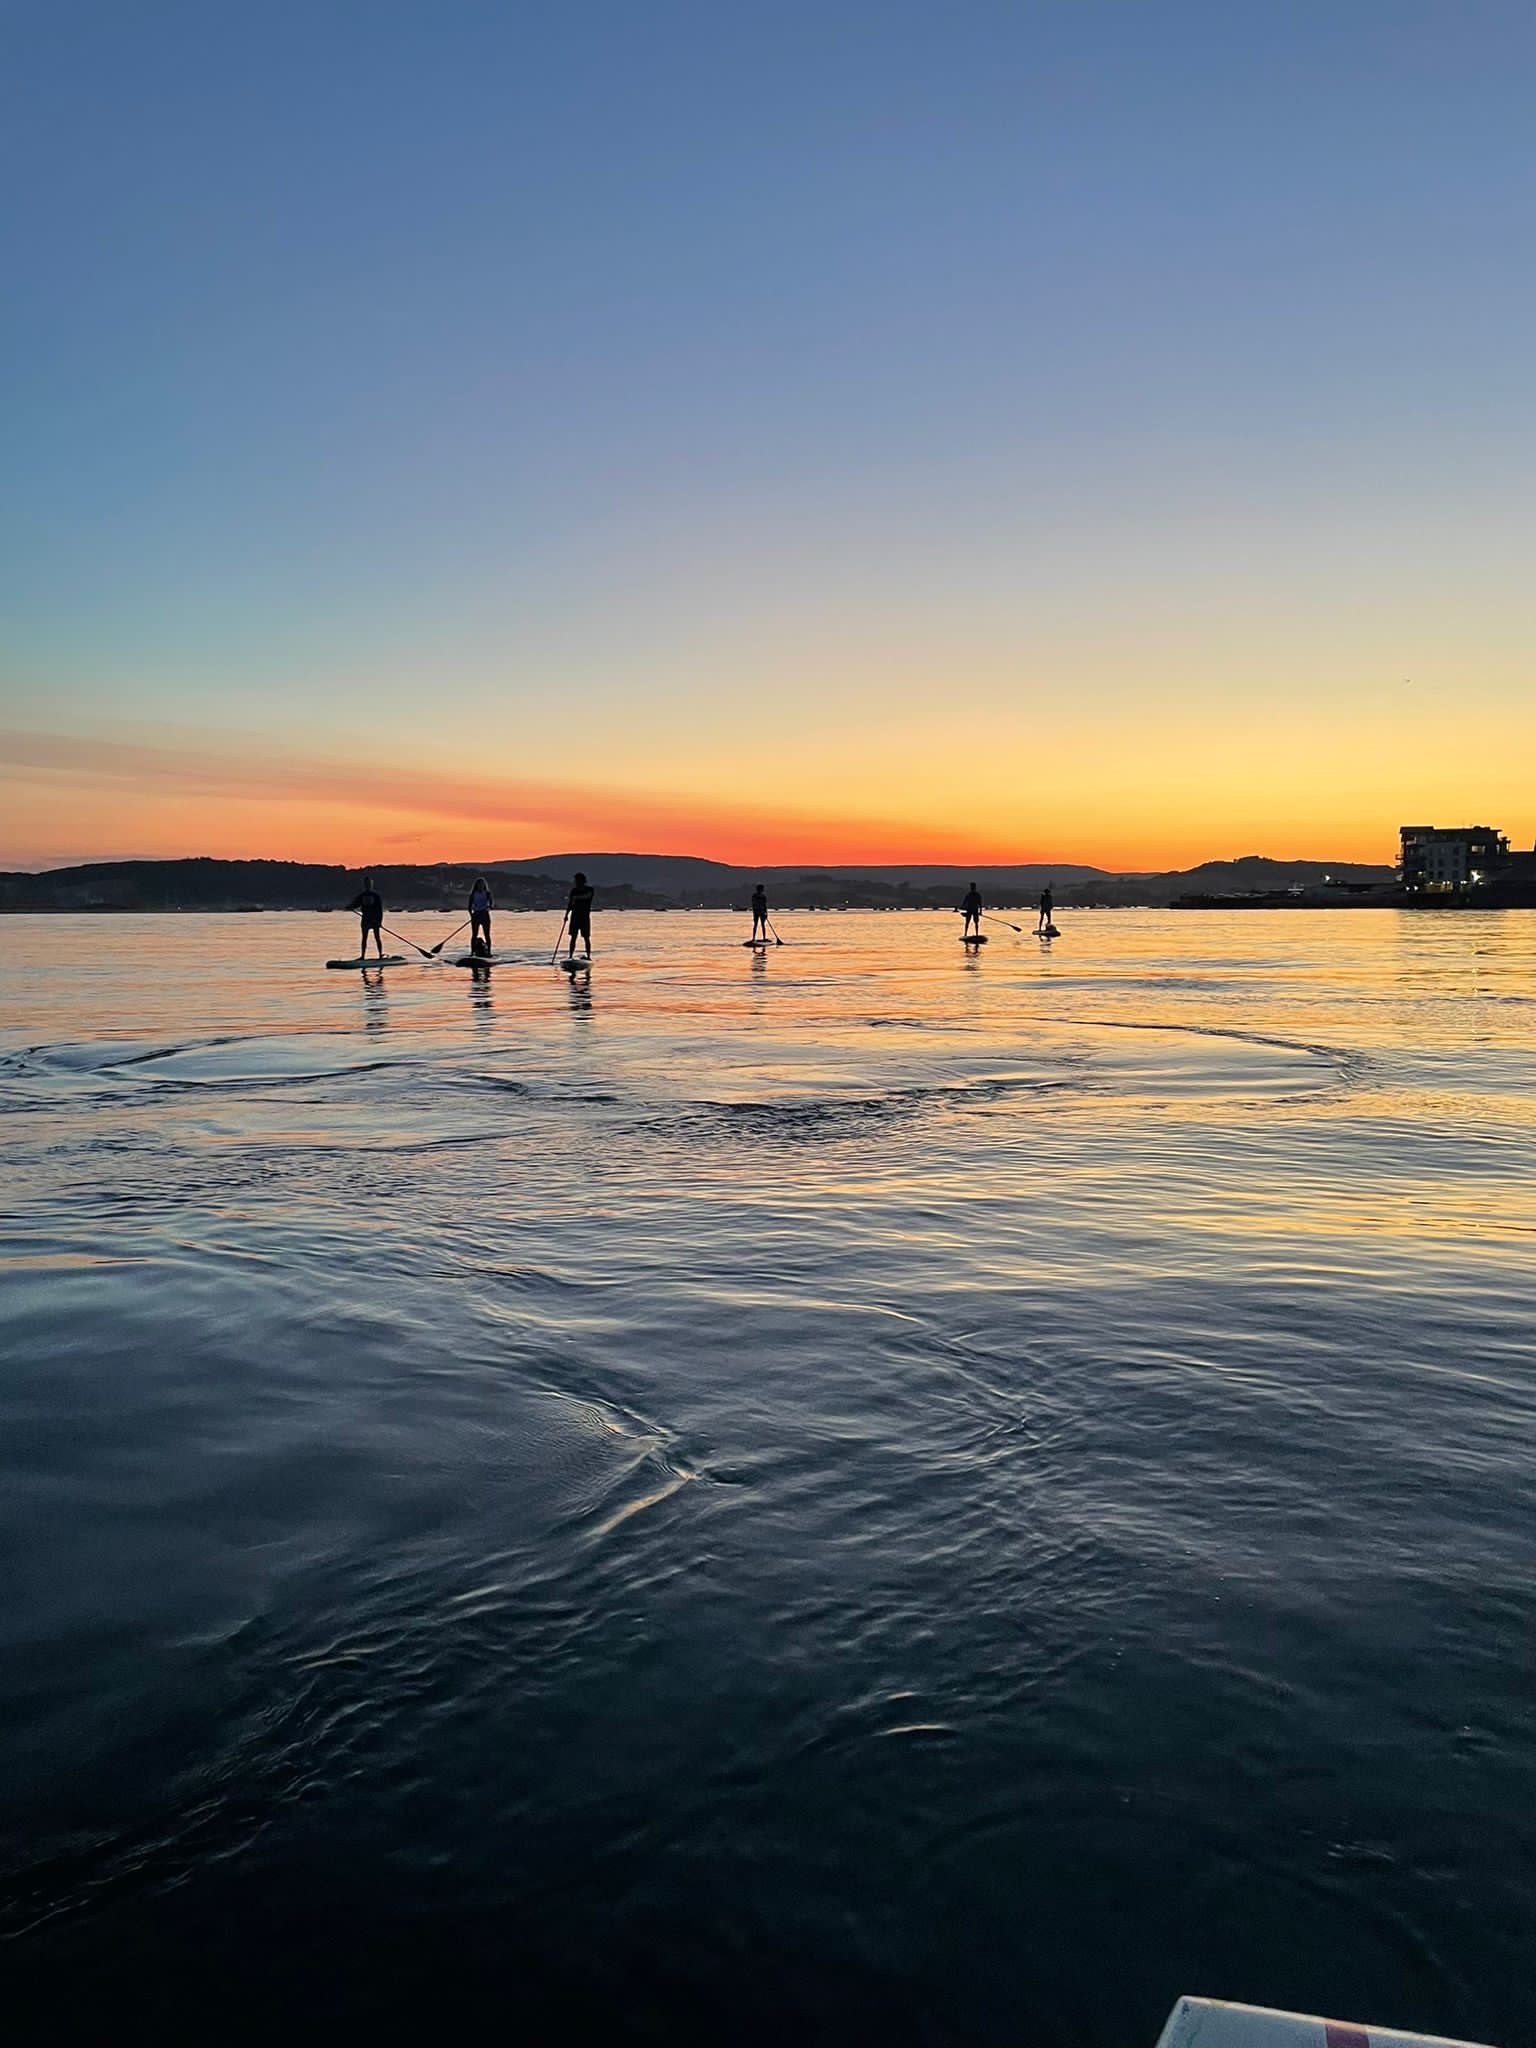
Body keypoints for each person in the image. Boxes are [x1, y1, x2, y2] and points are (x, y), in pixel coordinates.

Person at [346, 873, 385, 958]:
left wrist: (379, 922)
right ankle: (362, 956)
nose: (368, 886)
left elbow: (379, 910)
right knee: (364, 938)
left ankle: (380, 955)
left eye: (369, 884)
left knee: (377, 938)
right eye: (366, 884)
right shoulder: (361, 896)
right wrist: (349, 907)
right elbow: (356, 904)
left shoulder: (376, 896)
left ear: (372, 885)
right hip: (365, 919)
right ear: (365, 885)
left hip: (374, 920)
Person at [566, 871, 595, 958]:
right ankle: (570, 956)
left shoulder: (589, 889)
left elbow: (588, 896)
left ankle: (588, 956)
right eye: (576, 881)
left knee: (586, 937)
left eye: (578, 880)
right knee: (573, 937)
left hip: (584, 917)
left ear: (583, 881)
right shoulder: (574, 891)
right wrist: (566, 915)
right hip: (574, 916)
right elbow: (570, 904)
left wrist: (577, 897)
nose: (576, 882)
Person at [468, 875, 493, 956]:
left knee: (487, 934)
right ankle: (472, 952)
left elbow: (491, 904)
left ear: (484, 885)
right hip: (476, 915)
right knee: (474, 935)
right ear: (476, 885)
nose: (481, 886)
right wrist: (471, 916)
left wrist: (489, 907)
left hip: (484, 915)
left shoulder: (487, 893)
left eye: (482, 884)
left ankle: (489, 952)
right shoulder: (472, 894)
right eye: (479, 884)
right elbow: (469, 907)